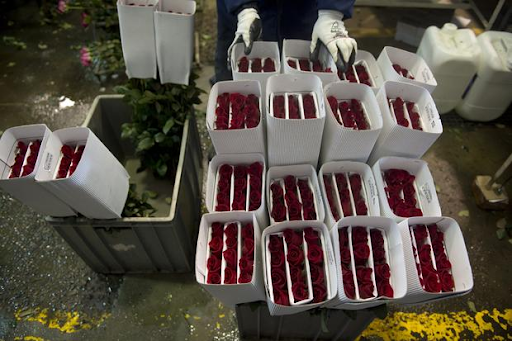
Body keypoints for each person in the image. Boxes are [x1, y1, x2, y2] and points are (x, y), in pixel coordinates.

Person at [214, 0, 357, 83]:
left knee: (302, 73)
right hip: (241, 13)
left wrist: (332, 12)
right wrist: (243, 8)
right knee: (235, 75)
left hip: (302, 8)